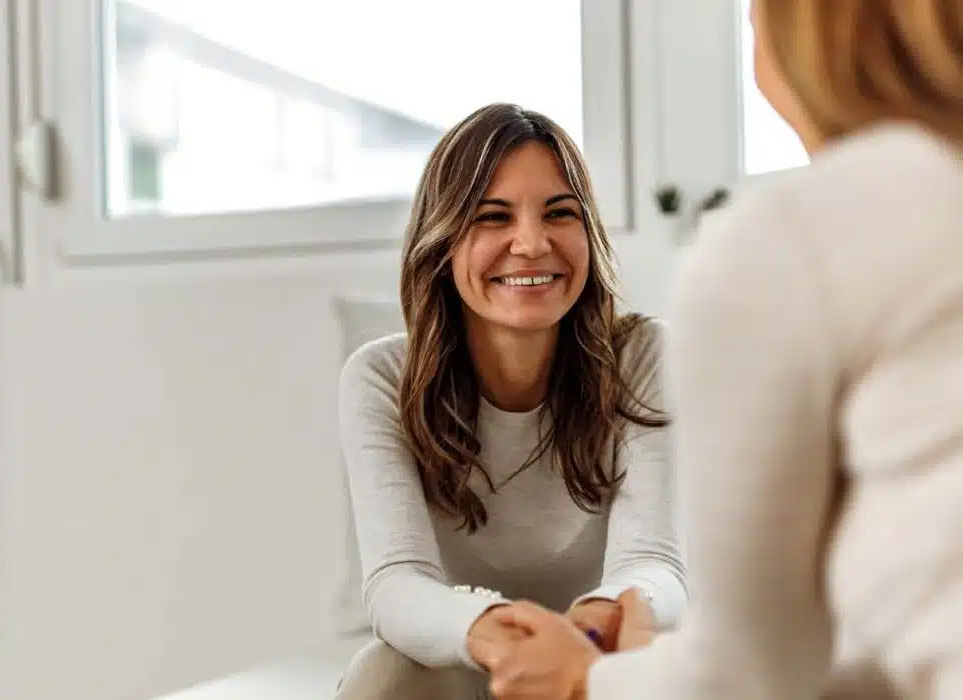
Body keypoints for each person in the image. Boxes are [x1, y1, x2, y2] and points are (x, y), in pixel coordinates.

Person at [477, 1, 963, 698]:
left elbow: (751, 675)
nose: (530, 242)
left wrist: (591, 678)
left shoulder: (790, 242)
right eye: (493, 215)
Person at [334, 103, 688, 700]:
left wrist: (593, 626)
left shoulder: (644, 357)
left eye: (559, 213)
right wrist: (497, 634)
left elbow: (655, 563)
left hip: (600, 660)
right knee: (381, 673)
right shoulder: (380, 378)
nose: (531, 243)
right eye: (493, 217)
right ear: (442, 242)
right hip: (471, 658)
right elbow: (397, 584)